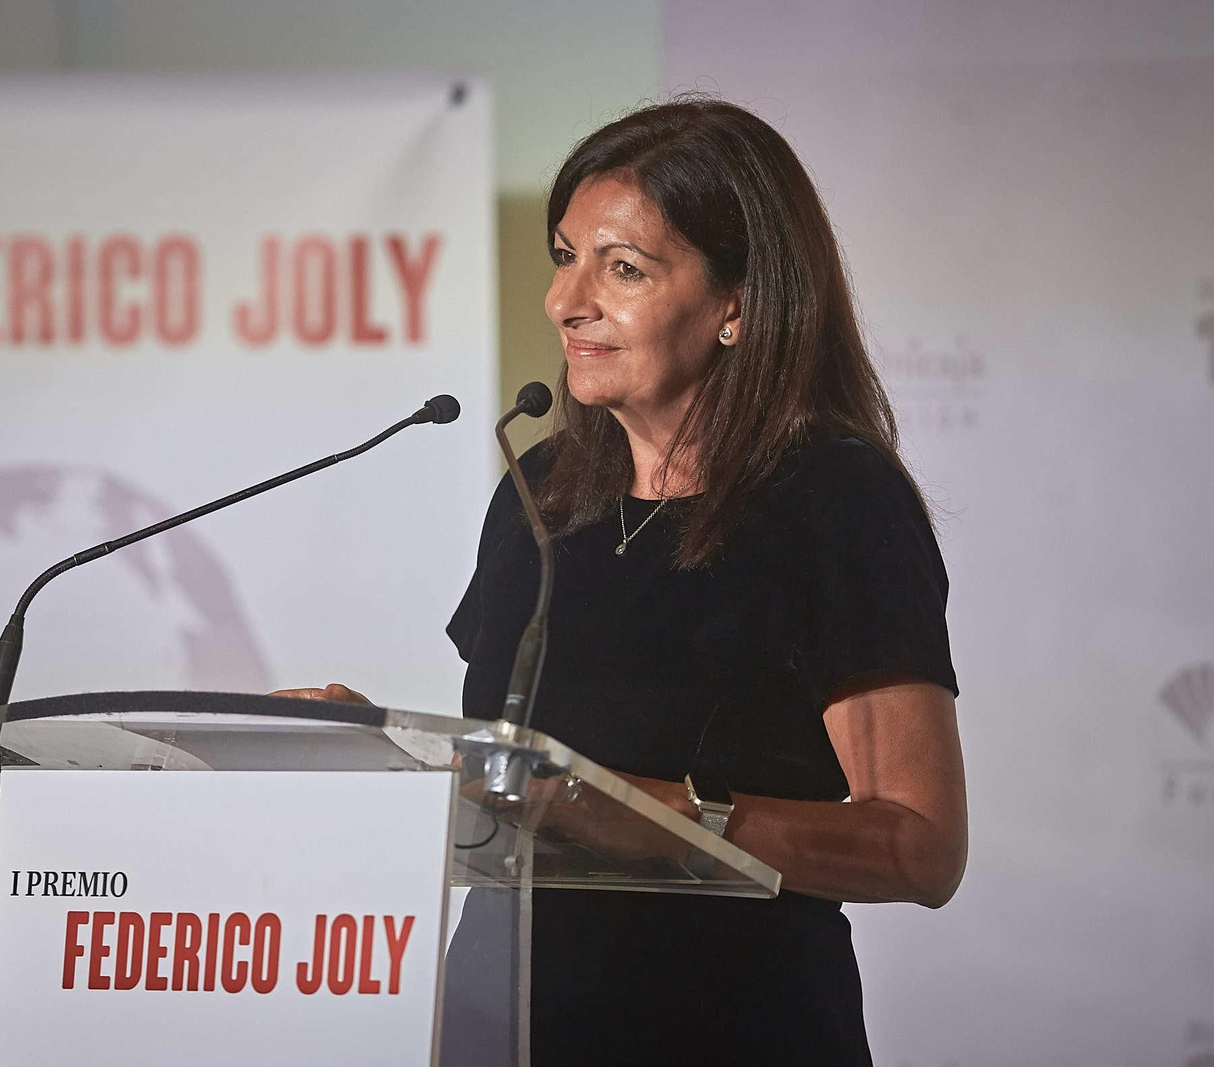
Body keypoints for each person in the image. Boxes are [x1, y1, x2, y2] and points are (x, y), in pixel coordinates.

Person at [278, 96, 967, 1065]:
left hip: (727, 1022)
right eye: (565, 256)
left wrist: (660, 815)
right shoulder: (541, 493)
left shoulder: (834, 502)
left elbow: (920, 844)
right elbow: (517, 789)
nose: (567, 301)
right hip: (498, 1020)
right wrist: (388, 757)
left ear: (739, 304)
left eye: (624, 268)